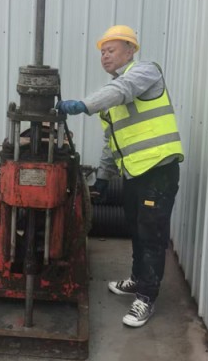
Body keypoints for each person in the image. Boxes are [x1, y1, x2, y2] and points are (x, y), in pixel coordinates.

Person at [57, 25, 183, 328]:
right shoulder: (113, 98)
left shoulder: (145, 72)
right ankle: (138, 279)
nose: (104, 56)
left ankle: (146, 298)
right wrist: (103, 178)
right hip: (135, 173)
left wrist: (83, 105)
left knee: (152, 235)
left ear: (130, 49)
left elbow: (122, 90)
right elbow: (111, 142)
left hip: (158, 170)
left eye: (110, 50)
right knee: (137, 230)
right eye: (102, 52)